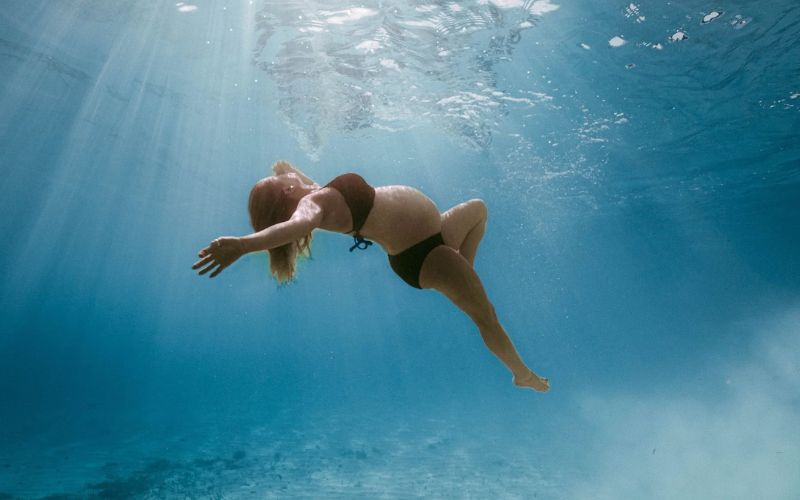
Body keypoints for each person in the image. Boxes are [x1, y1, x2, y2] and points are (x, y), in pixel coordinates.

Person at [193, 161, 549, 392]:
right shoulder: (312, 206)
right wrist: (243, 245)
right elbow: (295, 226)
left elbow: (303, 187)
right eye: (281, 180)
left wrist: (288, 169)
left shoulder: (316, 192)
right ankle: (522, 374)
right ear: (286, 191)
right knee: (486, 317)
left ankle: (464, 272)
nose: (286, 175)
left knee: (478, 210)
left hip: (438, 233)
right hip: (422, 255)